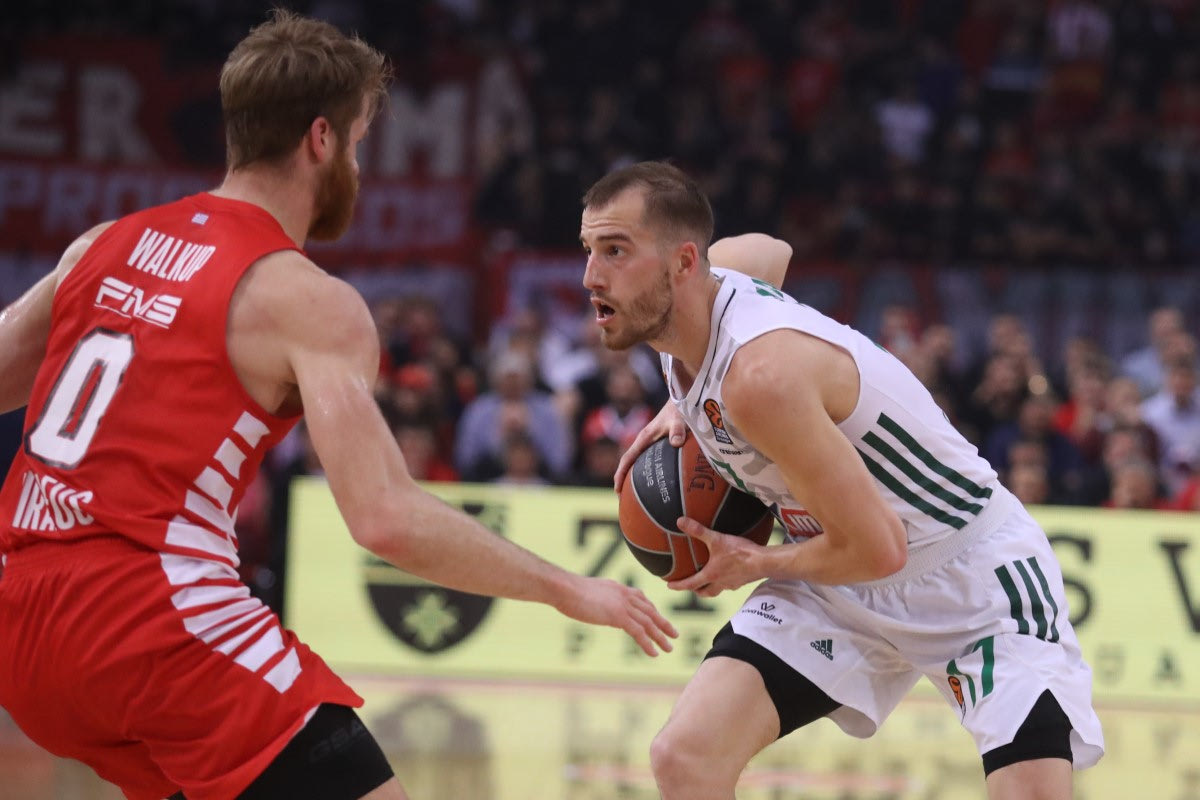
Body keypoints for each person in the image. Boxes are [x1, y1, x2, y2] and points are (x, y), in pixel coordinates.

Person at [0, 13, 676, 800]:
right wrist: (570, 588)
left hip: (21, 620)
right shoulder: (303, 298)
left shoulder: (101, 245)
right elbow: (386, 519)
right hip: (152, 617)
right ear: (320, 139)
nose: (357, 164)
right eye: (357, 142)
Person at [580, 161, 1104, 800]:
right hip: (838, 576)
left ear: (683, 262)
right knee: (685, 757)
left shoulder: (759, 378)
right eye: (589, 249)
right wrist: (680, 401)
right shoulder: (696, 304)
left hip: (968, 575)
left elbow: (882, 550)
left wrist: (754, 563)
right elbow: (770, 250)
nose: (591, 276)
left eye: (615, 251)